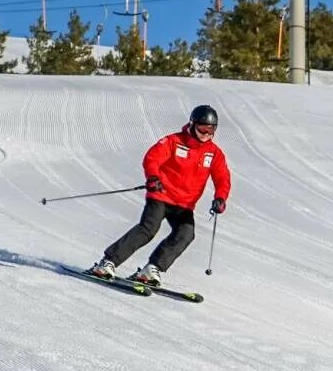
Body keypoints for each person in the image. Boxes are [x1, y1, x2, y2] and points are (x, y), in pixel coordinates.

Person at [90, 104, 232, 287]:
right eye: (202, 128)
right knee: (148, 229)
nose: (206, 133)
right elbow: (152, 158)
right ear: (192, 124)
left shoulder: (214, 153)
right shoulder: (173, 141)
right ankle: (107, 263)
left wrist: (220, 198)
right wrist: (153, 178)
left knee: (186, 234)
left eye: (210, 129)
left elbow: (223, 178)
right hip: (161, 195)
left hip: (184, 204)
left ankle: (151, 269)